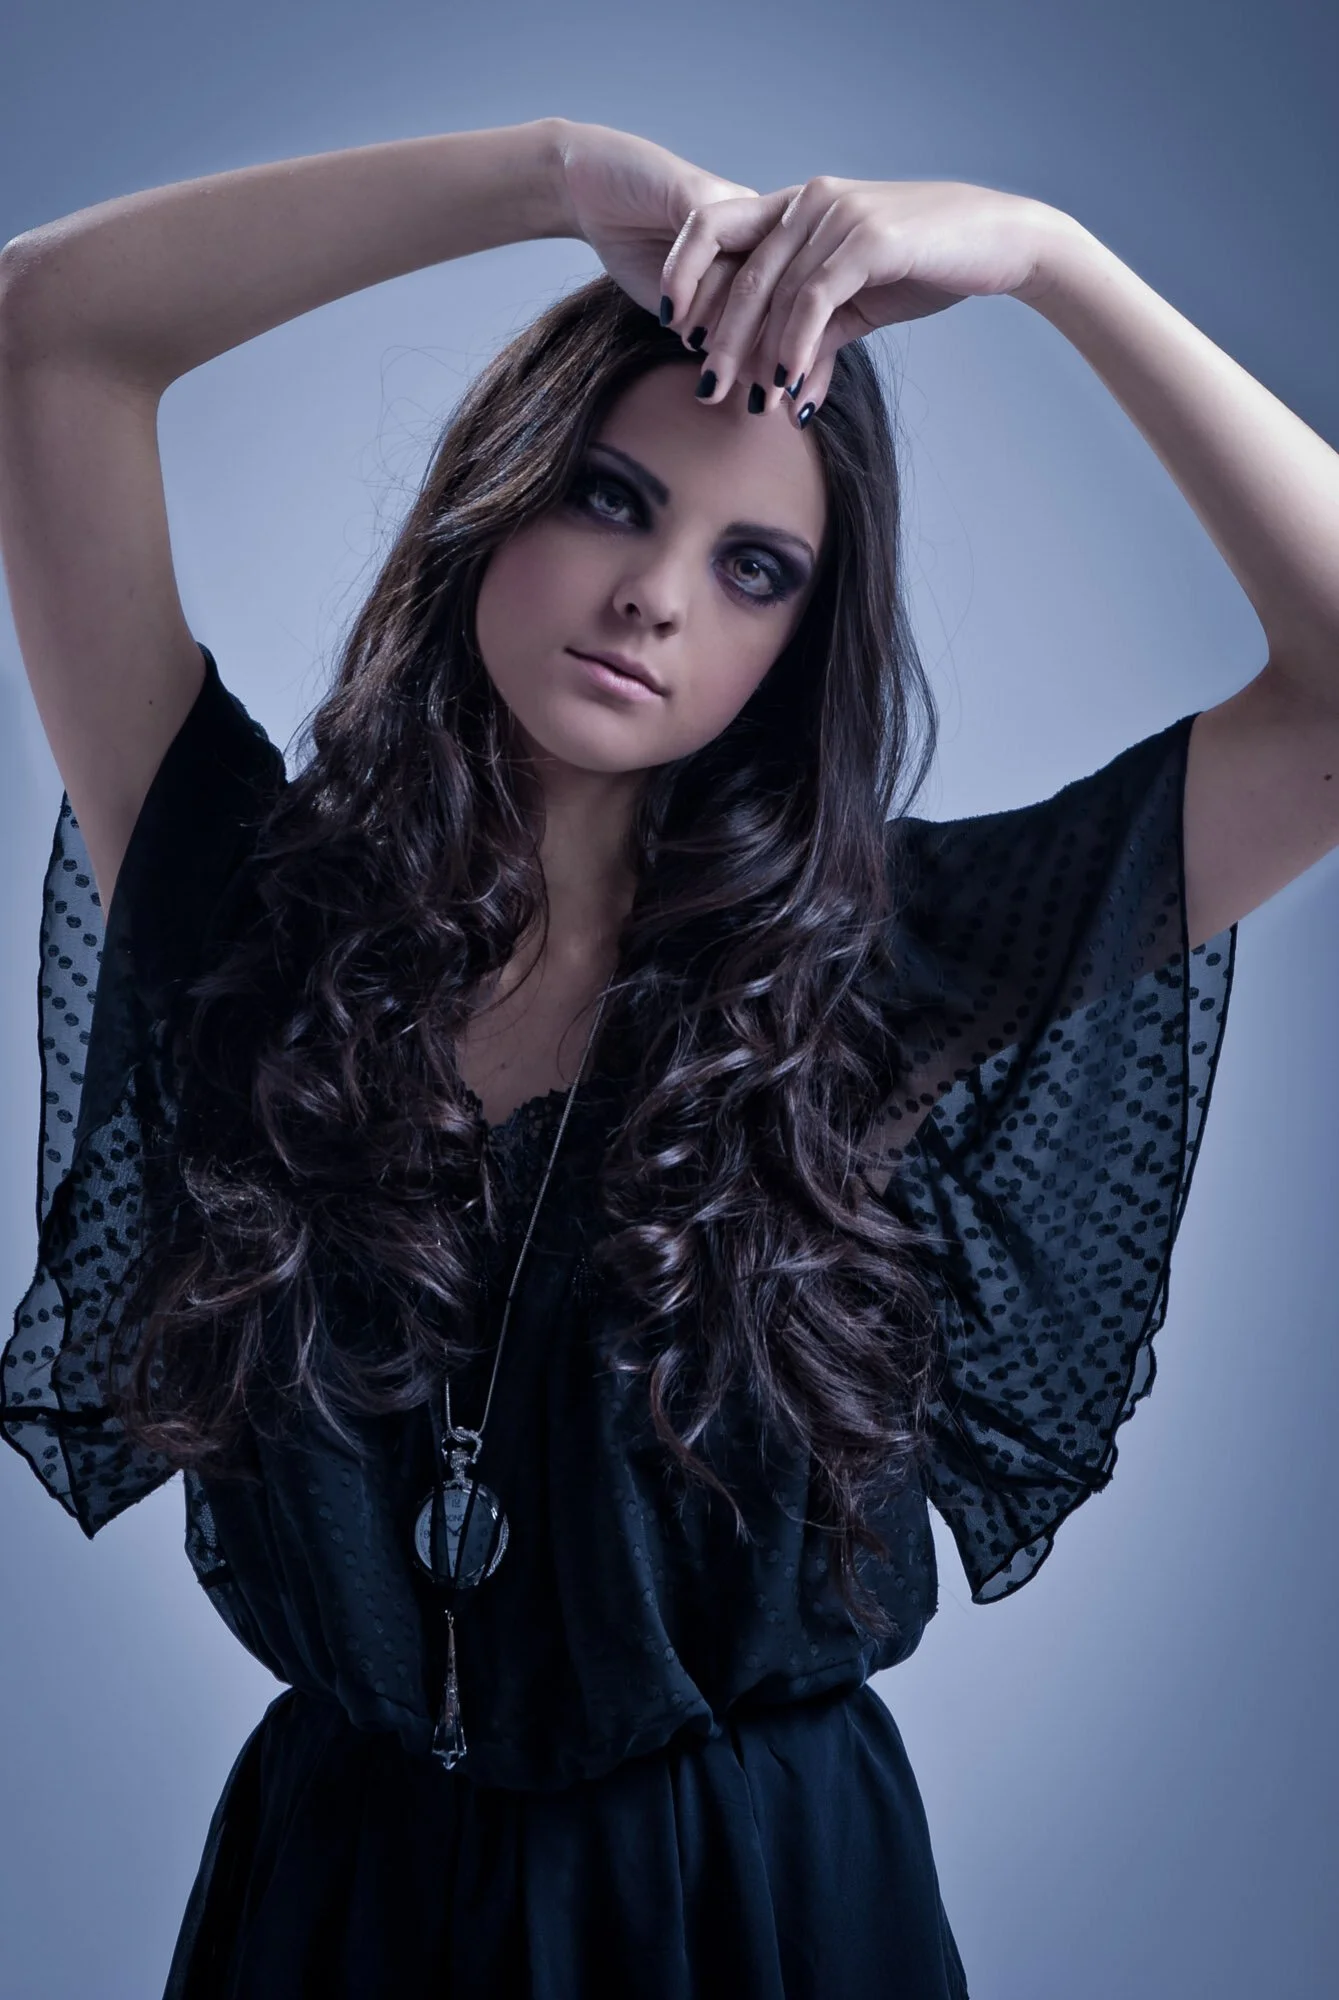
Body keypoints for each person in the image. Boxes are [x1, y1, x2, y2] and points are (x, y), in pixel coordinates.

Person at [1, 114, 1336, 2000]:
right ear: (504, 492)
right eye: (613, 502)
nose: (657, 597)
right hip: (340, 1899)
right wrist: (543, 174)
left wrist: (1052, 258)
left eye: (755, 569)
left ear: (800, 643)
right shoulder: (242, 899)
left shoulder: (895, 967)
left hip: (760, 1905)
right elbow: (49, 327)